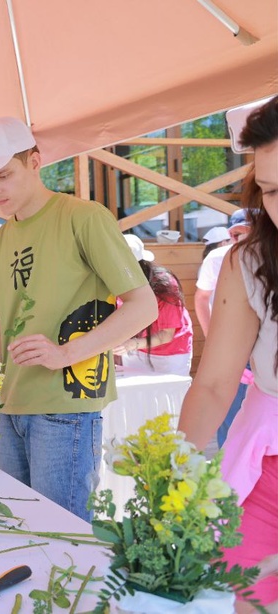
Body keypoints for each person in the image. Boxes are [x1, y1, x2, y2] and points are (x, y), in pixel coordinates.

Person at [0, 117, 157, 522]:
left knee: (63, 540)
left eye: (4, 174)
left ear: (36, 161)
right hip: (8, 408)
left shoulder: (84, 217)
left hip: (66, 407)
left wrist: (64, 354)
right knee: (22, 533)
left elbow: (144, 306)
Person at [177, 97, 278, 611]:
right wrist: (174, 481)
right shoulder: (251, 260)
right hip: (268, 469)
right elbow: (216, 383)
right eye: (272, 190)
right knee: (251, 601)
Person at [196, 195, 256, 446]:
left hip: (262, 350)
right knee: (229, 412)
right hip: (229, 349)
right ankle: (224, 475)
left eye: (247, 233)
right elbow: (201, 299)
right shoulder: (217, 258)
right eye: (235, 234)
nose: (240, 239)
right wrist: (213, 341)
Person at [114, 235, 194, 376]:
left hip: (171, 353)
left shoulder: (165, 286)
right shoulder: (113, 282)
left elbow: (166, 335)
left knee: (171, 396)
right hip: (134, 349)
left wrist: (132, 344)